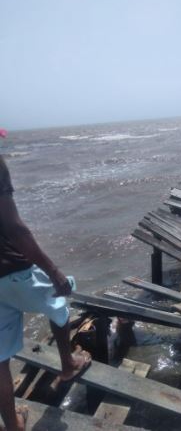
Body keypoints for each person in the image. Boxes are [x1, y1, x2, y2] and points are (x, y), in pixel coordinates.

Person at [0, 154, 91, 431]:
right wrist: (53, 271)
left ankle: (12, 424)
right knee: (58, 300)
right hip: (13, 270)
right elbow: (15, 228)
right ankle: (67, 365)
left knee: (1, 358)